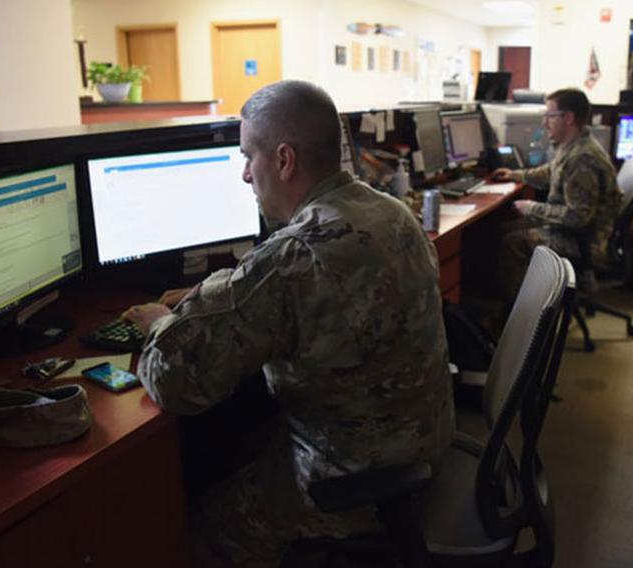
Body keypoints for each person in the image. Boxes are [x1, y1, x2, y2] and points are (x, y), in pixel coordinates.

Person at [123, 80, 454, 567]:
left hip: (351, 481)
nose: (242, 174)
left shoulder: (294, 257)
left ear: (283, 160)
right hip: (422, 443)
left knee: (199, 525)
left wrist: (157, 324)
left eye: (247, 156)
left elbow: (176, 384)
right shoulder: (390, 211)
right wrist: (219, 290)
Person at [491, 88, 622, 300]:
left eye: (550, 116)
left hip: (584, 241)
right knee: (504, 228)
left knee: (512, 242)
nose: (544, 123)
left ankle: (526, 319)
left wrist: (531, 208)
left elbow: (577, 217)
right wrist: (516, 175)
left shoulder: (582, 158)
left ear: (568, 118)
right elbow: (552, 171)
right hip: (576, 231)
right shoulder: (574, 145)